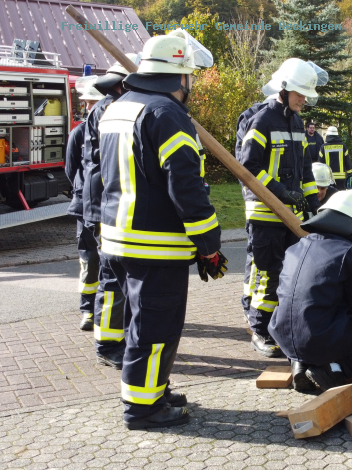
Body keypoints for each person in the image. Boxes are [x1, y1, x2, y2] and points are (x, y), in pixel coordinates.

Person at [98, 29, 226, 429]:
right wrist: (209, 246)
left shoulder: (119, 107)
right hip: (155, 245)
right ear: (181, 76)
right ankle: (143, 408)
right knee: (155, 328)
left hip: (117, 239)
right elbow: (186, 188)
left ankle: (154, 389)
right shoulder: (167, 114)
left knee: (140, 322)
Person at [268, 190, 352, 391]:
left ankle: (300, 366)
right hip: (317, 339)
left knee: (318, 324)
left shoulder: (296, 247)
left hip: (281, 335)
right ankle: (334, 370)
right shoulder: (350, 252)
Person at [236, 58, 328, 358]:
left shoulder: (297, 123)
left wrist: (314, 207)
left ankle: (277, 325)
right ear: (284, 89)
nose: (304, 99)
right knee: (267, 273)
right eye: (300, 93)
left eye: (306, 94)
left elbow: (304, 170)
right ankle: (260, 331)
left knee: (288, 274)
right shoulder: (261, 121)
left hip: (291, 215)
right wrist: (280, 193)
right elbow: (248, 166)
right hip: (265, 214)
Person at [81, 53, 140, 369]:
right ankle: (108, 344)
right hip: (106, 206)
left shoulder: (107, 107)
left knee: (113, 277)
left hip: (103, 203)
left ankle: (114, 339)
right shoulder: (112, 109)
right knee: (112, 279)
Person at [65, 79, 103, 332]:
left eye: (92, 102)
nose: (88, 107)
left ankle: (110, 310)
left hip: (111, 208)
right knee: (90, 261)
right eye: (87, 103)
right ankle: (88, 310)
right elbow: (71, 171)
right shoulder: (78, 133)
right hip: (86, 207)